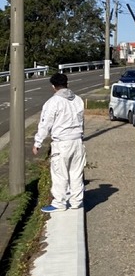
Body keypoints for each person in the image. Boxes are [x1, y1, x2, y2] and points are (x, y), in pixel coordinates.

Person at [32, 72, 86, 212]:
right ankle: (76, 202)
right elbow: (81, 121)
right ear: (67, 83)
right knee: (76, 172)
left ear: (53, 86)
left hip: (62, 142)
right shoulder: (78, 100)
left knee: (59, 173)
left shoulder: (53, 102)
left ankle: (59, 203)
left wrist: (37, 143)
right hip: (77, 141)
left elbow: (45, 124)